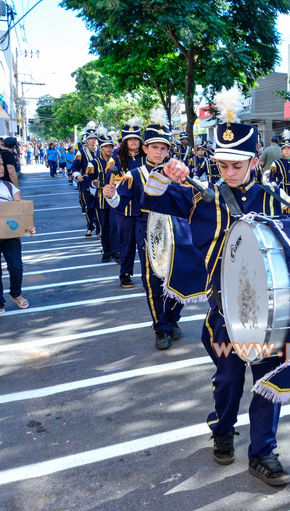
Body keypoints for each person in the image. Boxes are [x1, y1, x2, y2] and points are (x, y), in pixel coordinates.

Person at [152, 87, 290, 486]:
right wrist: (168, 172)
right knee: (229, 380)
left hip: (270, 311)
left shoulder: (273, 197)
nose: (229, 172)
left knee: (269, 382)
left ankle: (263, 453)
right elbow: (150, 198)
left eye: (237, 164)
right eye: (222, 164)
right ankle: (222, 429)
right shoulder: (200, 197)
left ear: (254, 161)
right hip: (224, 313)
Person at [103, 109, 185, 350]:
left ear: (168, 150)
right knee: (154, 281)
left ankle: (173, 318)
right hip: (147, 232)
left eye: (163, 148)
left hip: (176, 232)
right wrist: (110, 196)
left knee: (180, 277)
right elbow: (121, 203)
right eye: (154, 147)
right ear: (145, 148)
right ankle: (161, 328)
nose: (159, 152)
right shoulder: (134, 174)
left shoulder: (176, 171)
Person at [0, 151, 35, 318]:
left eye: (2, 164)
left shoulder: (9, 187)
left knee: (16, 268)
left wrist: (29, 225)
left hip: (11, 236)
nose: (2, 168)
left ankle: (16, 294)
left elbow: (20, 210)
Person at [111, 117, 145, 289]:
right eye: (130, 139)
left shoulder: (146, 157)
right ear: (125, 142)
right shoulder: (116, 159)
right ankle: (125, 273)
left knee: (146, 244)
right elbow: (110, 181)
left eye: (136, 139)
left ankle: (149, 276)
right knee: (126, 242)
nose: (133, 142)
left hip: (144, 207)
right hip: (124, 208)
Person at [89, 128, 120, 265]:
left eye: (111, 146)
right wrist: (93, 183)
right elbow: (87, 179)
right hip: (101, 199)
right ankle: (106, 250)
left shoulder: (117, 161)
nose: (109, 149)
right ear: (101, 148)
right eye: (106, 147)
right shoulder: (94, 163)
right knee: (104, 226)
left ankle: (115, 251)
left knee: (115, 225)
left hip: (114, 198)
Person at [268, 130, 290, 206]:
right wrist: (274, 185)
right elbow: (271, 178)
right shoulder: (276, 163)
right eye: (284, 149)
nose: (286, 151)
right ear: (282, 151)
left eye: (288, 149)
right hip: (281, 191)